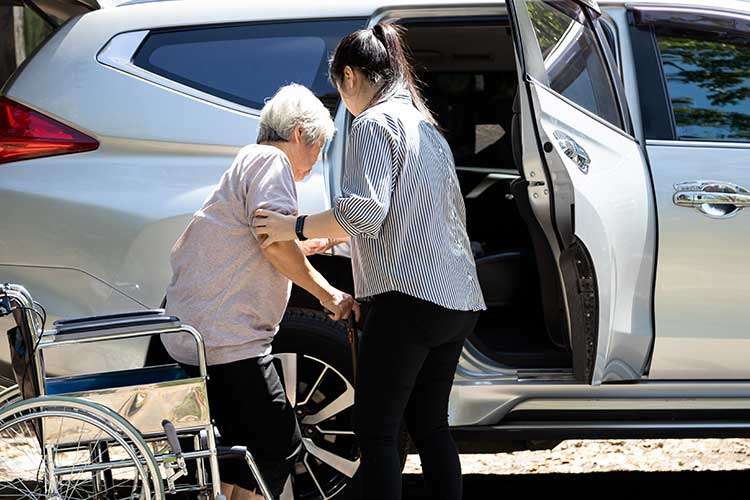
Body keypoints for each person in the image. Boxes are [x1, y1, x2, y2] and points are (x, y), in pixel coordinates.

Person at [253, 23, 486, 500]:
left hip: (408, 300)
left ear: (352, 76)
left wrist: (291, 227)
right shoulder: (425, 125)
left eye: (339, 88)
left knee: (376, 430)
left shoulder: (374, 123)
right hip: (457, 299)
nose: (342, 102)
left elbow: (366, 210)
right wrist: (331, 242)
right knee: (429, 425)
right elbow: (408, 218)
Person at [161, 84, 358, 500]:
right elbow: (274, 245)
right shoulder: (272, 161)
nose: (314, 164)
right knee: (276, 445)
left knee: (242, 454)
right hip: (228, 339)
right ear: (301, 134)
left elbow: (257, 237)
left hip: (205, 332)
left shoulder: (249, 159)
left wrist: (310, 244)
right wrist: (329, 295)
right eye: (319, 149)